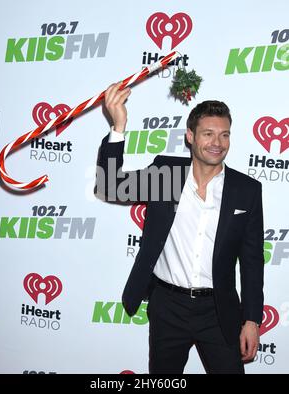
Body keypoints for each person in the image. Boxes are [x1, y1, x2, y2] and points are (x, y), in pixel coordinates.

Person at [95, 82, 264, 374]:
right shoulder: (167, 174)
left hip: (219, 310)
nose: (217, 143)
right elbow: (110, 186)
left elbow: (251, 262)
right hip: (168, 306)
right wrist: (118, 127)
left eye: (224, 135)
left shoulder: (246, 190)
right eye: (208, 134)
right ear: (190, 136)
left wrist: (251, 319)